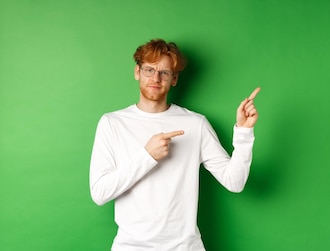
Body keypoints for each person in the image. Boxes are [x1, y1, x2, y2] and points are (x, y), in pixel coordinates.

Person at [89, 38, 260, 250]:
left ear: (174, 79)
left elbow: (234, 182)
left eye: (164, 73)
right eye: (149, 70)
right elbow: (99, 193)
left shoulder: (195, 124)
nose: (156, 78)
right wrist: (147, 156)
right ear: (137, 72)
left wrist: (243, 132)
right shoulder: (113, 123)